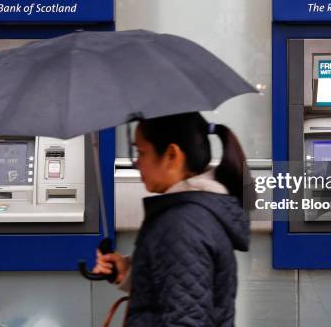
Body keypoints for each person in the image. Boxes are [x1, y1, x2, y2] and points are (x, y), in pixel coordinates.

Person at [93, 112, 250, 326]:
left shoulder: (182, 224)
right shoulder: (193, 212)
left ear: (172, 156)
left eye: (141, 152)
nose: (137, 163)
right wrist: (130, 271)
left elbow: (187, 319)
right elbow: (177, 290)